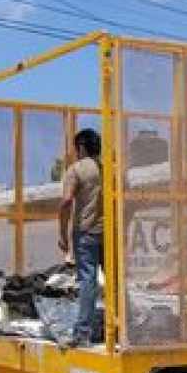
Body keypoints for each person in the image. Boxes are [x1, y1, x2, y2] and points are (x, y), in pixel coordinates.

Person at [58, 127, 104, 346]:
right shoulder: (110, 169)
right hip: (110, 233)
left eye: (77, 148)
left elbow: (67, 201)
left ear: (82, 147)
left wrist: (62, 234)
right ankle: (125, 326)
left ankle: (83, 332)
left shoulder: (76, 170)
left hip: (86, 232)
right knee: (115, 282)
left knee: (88, 280)